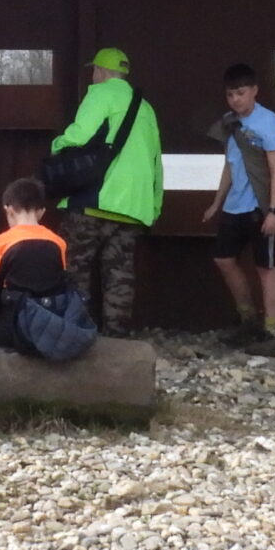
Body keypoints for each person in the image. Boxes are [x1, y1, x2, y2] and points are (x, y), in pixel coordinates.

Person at [49, 48, 163, 337]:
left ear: (100, 71)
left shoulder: (99, 95)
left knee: (75, 268)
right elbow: (156, 161)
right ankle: (117, 338)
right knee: (120, 274)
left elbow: (78, 137)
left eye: (94, 70)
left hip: (93, 200)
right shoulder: (146, 108)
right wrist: (154, 206)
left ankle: (76, 333)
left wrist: (56, 146)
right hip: (133, 207)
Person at [203, 63, 275, 356]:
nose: (236, 100)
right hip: (233, 205)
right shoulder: (230, 123)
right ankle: (248, 318)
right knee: (224, 259)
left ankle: (272, 331)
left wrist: (274, 211)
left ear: (254, 91)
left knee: (266, 267)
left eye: (240, 93)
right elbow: (230, 165)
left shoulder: (269, 122)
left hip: (260, 206)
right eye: (230, 95)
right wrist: (216, 202)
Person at [0, 176, 91, 358]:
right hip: (52, 318)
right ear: (41, 212)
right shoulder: (58, 242)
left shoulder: (2, 242)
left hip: (17, 322)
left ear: (8, 210)